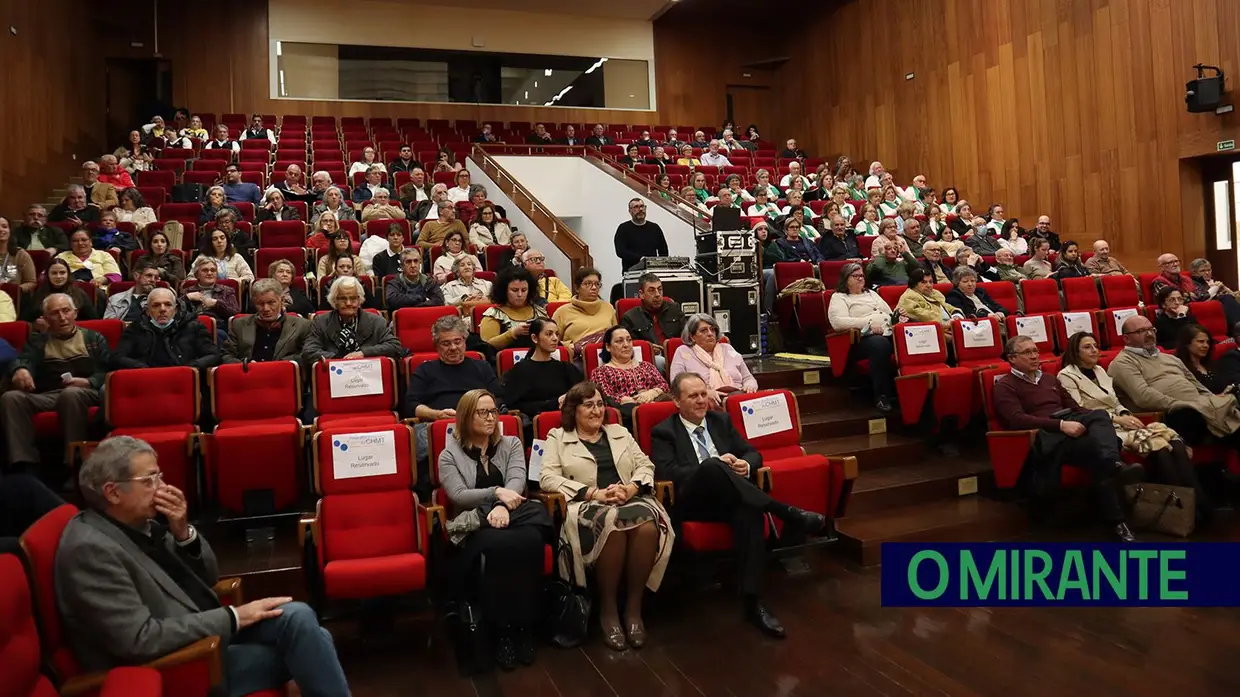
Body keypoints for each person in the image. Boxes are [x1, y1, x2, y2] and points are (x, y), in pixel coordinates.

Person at [54, 436, 352, 696]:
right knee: (314, 642)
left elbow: (207, 576)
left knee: (298, 616)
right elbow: (139, 640)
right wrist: (234, 617)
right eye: (148, 481)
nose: (162, 488)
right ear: (113, 492)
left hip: (202, 632)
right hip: (178, 664)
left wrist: (182, 532)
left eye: (159, 476)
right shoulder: (90, 549)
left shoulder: (137, 523)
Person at [651, 373, 827, 636]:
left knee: (749, 510)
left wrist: (746, 464)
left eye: (703, 394)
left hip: (731, 497)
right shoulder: (664, 431)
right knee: (712, 465)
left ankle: (752, 601)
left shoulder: (719, 420)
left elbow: (752, 452)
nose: (701, 401)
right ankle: (783, 511)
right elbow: (667, 473)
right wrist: (713, 468)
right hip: (692, 502)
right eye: (693, 396)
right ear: (677, 401)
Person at [540, 382, 674, 651]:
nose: (596, 410)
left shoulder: (619, 432)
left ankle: (634, 609)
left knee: (647, 525)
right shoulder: (557, 437)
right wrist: (593, 493)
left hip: (630, 498)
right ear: (573, 411)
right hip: (587, 504)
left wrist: (633, 487)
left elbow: (645, 464)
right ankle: (609, 610)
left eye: (600, 404)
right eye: (588, 405)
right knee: (612, 523)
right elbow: (547, 478)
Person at [437, 389, 550, 669]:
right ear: (465, 417)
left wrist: (502, 506)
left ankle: (524, 627)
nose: (491, 418)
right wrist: (496, 494)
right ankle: (504, 632)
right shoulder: (448, 455)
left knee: (533, 536)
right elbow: (460, 495)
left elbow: (517, 481)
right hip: (475, 525)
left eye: (493, 412)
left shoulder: (510, 443)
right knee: (506, 543)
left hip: (509, 516)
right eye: (483, 412)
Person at [992, 336, 1140, 541]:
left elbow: (1075, 408)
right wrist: (1061, 425)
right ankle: (1118, 521)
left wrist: (1087, 420)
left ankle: (1112, 462)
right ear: (1012, 358)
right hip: (1047, 436)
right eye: (1027, 353)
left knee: (1099, 416)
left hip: (1070, 427)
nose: (1035, 356)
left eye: (1036, 350)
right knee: (1098, 451)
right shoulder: (1006, 385)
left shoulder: (1049, 379)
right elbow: (1017, 420)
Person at [1060, 332, 1203, 502]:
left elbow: (1115, 401)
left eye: (1095, 346)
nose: (1094, 350)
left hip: (1122, 422)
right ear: (1076, 352)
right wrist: (1117, 419)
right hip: (1100, 429)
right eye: (1087, 347)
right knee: (1160, 449)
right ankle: (1181, 506)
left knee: (1174, 444)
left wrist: (1125, 413)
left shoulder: (1099, 370)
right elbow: (1079, 410)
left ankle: (1197, 503)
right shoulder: (1066, 375)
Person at [2, 293, 111, 469]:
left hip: (86, 392)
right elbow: (24, 359)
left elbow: (109, 371)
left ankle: (75, 463)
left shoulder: (93, 338)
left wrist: (89, 381)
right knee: (11, 398)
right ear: (45, 318)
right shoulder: (39, 341)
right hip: (50, 394)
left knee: (71, 394)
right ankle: (23, 464)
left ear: (75, 313)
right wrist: (20, 369)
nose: (62, 317)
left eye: (66, 311)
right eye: (54, 313)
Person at [1109, 315, 1240, 450]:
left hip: (1199, 407)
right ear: (1126, 338)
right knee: (1205, 418)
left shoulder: (1170, 358)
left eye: (1151, 330)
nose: (1149, 334)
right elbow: (1143, 396)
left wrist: (1214, 401)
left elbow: (1197, 386)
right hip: (1169, 414)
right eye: (1141, 331)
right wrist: (1185, 404)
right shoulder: (1123, 362)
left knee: (1230, 407)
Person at [406, 316, 501, 465]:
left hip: (479, 425)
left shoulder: (482, 367)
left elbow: (499, 398)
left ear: (464, 341)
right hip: (439, 426)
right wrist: (436, 415)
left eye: (457, 341)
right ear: (436, 345)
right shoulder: (425, 370)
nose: (453, 347)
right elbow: (411, 406)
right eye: (446, 343)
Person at [827, 264, 896, 412]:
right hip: (858, 340)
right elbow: (838, 322)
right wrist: (868, 324)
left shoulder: (871, 293)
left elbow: (889, 314)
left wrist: (896, 319)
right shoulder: (839, 297)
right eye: (855, 276)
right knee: (880, 345)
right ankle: (882, 395)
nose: (860, 278)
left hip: (886, 331)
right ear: (846, 279)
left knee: (907, 340)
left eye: (862, 276)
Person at [114, 288, 220, 370]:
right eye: (156, 305)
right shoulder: (136, 328)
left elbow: (213, 355)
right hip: (146, 380)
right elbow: (118, 357)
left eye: (168, 305)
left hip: (182, 380)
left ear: (175, 309)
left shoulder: (193, 327)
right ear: (147, 311)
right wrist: (142, 368)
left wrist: (190, 368)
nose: (162, 309)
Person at [499, 317, 582, 421]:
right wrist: (555, 402)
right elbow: (517, 405)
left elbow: (582, 393)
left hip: (570, 420)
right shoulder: (522, 370)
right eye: (549, 334)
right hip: (535, 423)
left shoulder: (565, 368)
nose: (555, 338)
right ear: (534, 338)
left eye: (557, 334)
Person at [302, 276, 403, 362]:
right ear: (334, 301)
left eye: (353, 298)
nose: (349, 303)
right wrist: (339, 360)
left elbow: (394, 346)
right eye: (343, 298)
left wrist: (363, 353)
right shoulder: (321, 322)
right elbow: (309, 351)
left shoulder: (377, 322)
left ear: (360, 300)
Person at [669, 312, 757, 408]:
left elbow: (748, 377)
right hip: (704, 402)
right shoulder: (683, 352)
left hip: (738, 397)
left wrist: (750, 385)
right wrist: (705, 393)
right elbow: (676, 384)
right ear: (692, 336)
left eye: (712, 329)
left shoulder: (727, 349)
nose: (710, 334)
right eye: (703, 331)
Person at [590, 325, 671, 423]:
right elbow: (606, 398)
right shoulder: (601, 372)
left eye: (629, 340)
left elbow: (664, 385)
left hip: (655, 405)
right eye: (619, 341)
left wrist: (651, 393)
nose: (626, 345)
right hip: (627, 414)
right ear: (608, 347)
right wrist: (635, 401)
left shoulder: (646, 366)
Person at [223, 278, 312, 363]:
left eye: (271, 303)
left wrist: (280, 365)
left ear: (282, 301)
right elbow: (226, 355)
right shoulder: (239, 324)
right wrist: (245, 365)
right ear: (254, 303)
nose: (266, 309)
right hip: (249, 375)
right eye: (260, 304)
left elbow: (307, 355)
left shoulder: (303, 326)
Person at [620, 273, 686, 367]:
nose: (657, 295)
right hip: (650, 359)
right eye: (651, 291)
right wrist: (647, 347)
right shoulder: (630, 317)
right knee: (659, 362)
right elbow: (628, 345)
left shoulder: (674, 309)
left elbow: (687, 335)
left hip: (676, 353)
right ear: (641, 294)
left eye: (659, 289)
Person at [552, 267, 617, 356]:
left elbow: (616, 335)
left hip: (607, 356)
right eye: (587, 284)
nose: (594, 288)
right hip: (576, 358)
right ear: (577, 288)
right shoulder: (562, 312)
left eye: (597, 284)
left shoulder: (608, 308)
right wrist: (569, 346)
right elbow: (552, 341)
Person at [481, 268, 548, 351]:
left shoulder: (539, 311)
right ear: (504, 290)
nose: (520, 294)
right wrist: (513, 333)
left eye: (524, 290)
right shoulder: (493, 314)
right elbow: (486, 347)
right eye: (514, 290)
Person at [24, 259, 96, 325]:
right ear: (47, 275)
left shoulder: (79, 293)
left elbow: (93, 321)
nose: (58, 276)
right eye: (54, 273)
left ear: (68, 274)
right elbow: (27, 321)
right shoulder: (39, 293)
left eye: (62, 273)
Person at [896, 268, 964, 330]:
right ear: (914, 284)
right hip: (929, 331)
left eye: (931, 282)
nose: (929, 285)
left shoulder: (934, 293)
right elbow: (921, 315)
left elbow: (946, 306)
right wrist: (946, 322)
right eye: (924, 282)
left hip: (948, 327)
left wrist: (956, 314)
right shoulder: (908, 297)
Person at [614, 199, 668, 272]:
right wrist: (640, 259)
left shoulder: (655, 228)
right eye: (636, 207)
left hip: (652, 272)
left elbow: (663, 251)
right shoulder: (623, 228)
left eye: (642, 206)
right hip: (631, 272)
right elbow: (621, 251)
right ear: (630, 211)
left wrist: (660, 265)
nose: (640, 209)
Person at [181, 257, 239, 323]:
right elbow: (175, 312)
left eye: (213, 270)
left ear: (216, 274)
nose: (209, 273)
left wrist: (216, 303)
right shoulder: (188, 291)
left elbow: (235, 313)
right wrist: (187, 298)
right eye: (205, 270)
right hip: (191, 326)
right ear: (197, 275)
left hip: (218, 326)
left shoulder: (227, 290)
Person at [1179, 324, 1233, 394]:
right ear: (1187, 343)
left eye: (1208, 342)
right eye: (1201, 341)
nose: (1206, 346)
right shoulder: (1181, 369)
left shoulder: (1213, 365)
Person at [441, 256, 492, 328]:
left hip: (486, 317)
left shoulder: (487, 284)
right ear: (457, 271)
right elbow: (447, 303)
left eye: (469, 264)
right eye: (462, 265)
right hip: (461, 321)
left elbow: (495, 300)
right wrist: (464, 298)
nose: (466, 267)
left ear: (473, 269)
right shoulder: (449, 286)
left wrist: (482, 298)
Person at [943, 265, 1010, 319]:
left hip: (996, 320)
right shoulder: (953, 296)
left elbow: (998, 306)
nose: (970, 284)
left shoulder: (980, 292)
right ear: (957, 283)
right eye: (965, 281)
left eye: (972, 281)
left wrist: (1001, 312)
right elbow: (965, 315)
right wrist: (986, 316)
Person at [0, 216, 38, 292]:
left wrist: (15, 289)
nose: (0, 230)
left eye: (4, 227)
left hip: (12, 298)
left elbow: (31, 282)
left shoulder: (21, 254)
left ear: (10, 230)